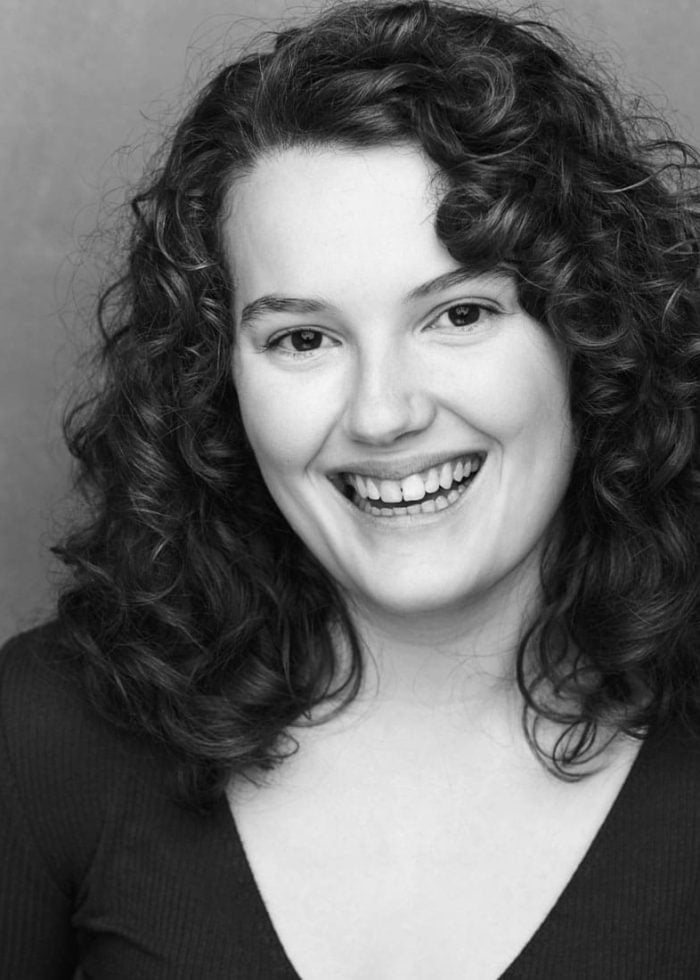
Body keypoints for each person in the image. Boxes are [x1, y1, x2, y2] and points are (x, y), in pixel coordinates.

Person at [2, 1, 700, 976]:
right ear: (222, 377)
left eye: (456, 314)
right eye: (303, 337)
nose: (381, 413)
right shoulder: (41, 736)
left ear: (590, 332)